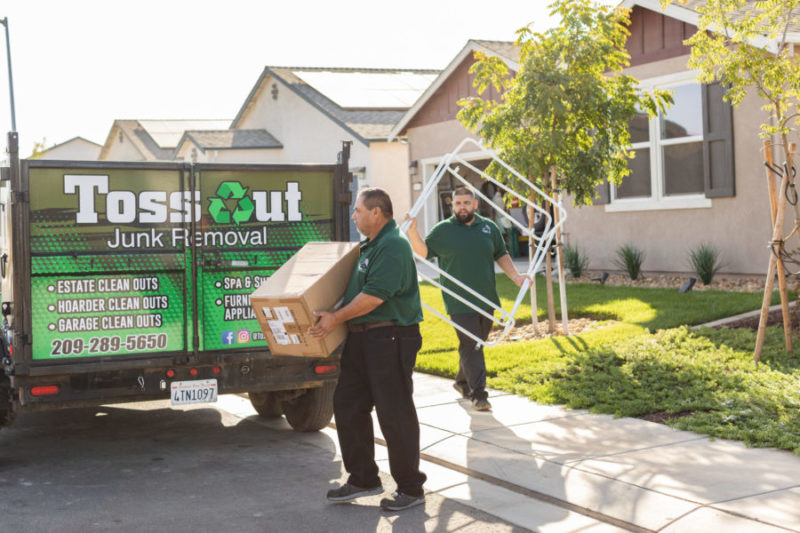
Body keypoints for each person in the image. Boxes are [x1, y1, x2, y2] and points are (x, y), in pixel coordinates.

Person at [309, 187, 427, 512]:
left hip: (390, 337)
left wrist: (335, 319)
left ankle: (410, 488)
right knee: (347, 404)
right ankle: (363, 479)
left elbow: (374, 297)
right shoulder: (368, 247)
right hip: (362, 338)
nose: (354, 215)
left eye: (358, 210)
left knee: (394, 412)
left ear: (377, 212)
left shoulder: (393, 246)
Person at [406, 186, 528, 411]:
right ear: (452, 205)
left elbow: (501, 254)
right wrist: (413, 231)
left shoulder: (488, 227)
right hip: (458, 300)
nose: (462, 207)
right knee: (472, 345)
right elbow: (423, 253)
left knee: (474, 345)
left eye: (466, 203)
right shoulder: (443, 230)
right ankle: (479, 394)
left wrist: (516, 277)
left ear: (475, 204)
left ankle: (462, 382)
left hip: (486, 299)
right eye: (457, 203)